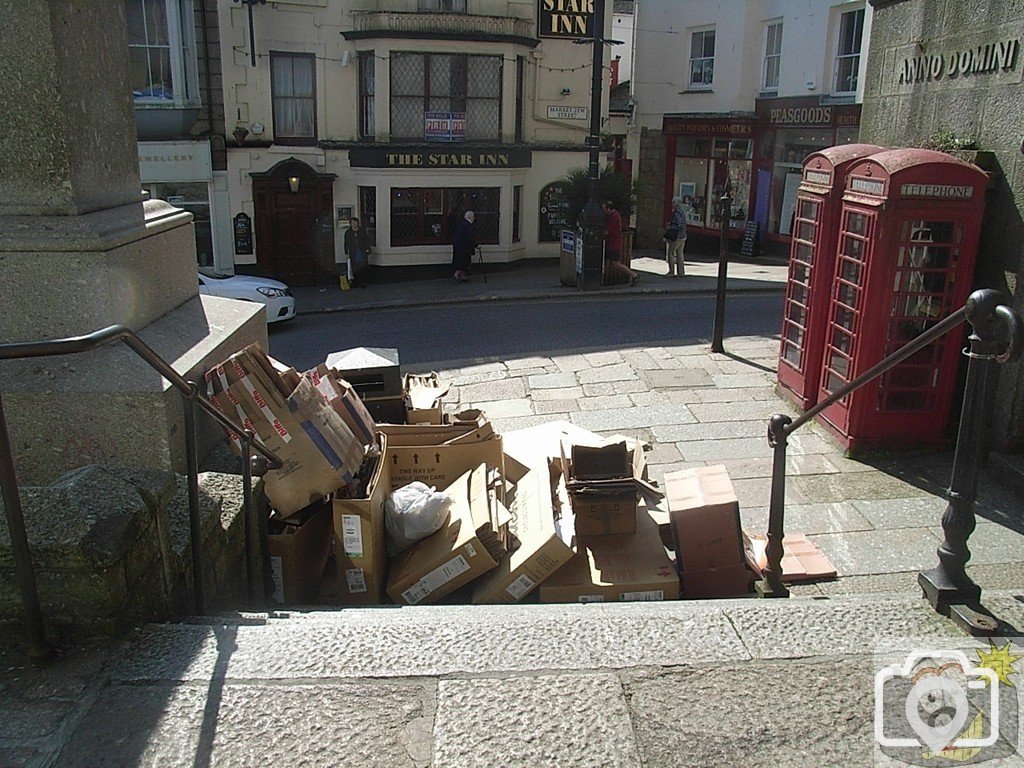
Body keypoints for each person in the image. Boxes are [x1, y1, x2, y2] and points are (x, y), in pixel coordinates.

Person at [602, 200, 638, 285]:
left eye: (604, 208)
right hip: (611, 242)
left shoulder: (614, 216)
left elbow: (607, 231)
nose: (603, 211)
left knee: (615, 263)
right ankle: (603, 278)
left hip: (613, 244)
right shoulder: (613, 215)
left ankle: (633, 275)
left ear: (608, 208)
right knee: (606, 261)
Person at [343, 217, 371, 287]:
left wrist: (367, 248)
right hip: (353, 251)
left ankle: (362, 282)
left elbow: (367, 240)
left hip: (361, 251)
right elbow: (346, 243)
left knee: (361, 266)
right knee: (354, 267)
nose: (354, 224)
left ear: (358, 223)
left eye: (355, 223)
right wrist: (346, 251)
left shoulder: (362, 231)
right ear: (350, 224)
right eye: (352, 223)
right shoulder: (348, 232)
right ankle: (355, 282)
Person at [664, 196, 688, 277]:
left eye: (673, 202)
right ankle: (681, 272)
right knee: (680, 253)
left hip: (677, 236)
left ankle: (671, 272)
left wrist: (671, 227)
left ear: (676, 204)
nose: (672, 204)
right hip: (683, 236)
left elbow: (680, 225)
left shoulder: (677, 213)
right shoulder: (681, 212)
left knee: (671, 253)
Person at [452, 210, 476, 282]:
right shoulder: (468, 226)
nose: (474, 219)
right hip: (465, 247)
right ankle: (457, 274)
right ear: (471, 217)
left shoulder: (461, 224)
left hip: (458, 246)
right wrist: (476, 245)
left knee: (460, 260)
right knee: (464, 261)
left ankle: (462, 276)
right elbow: (470, 237)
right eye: (474, 217)